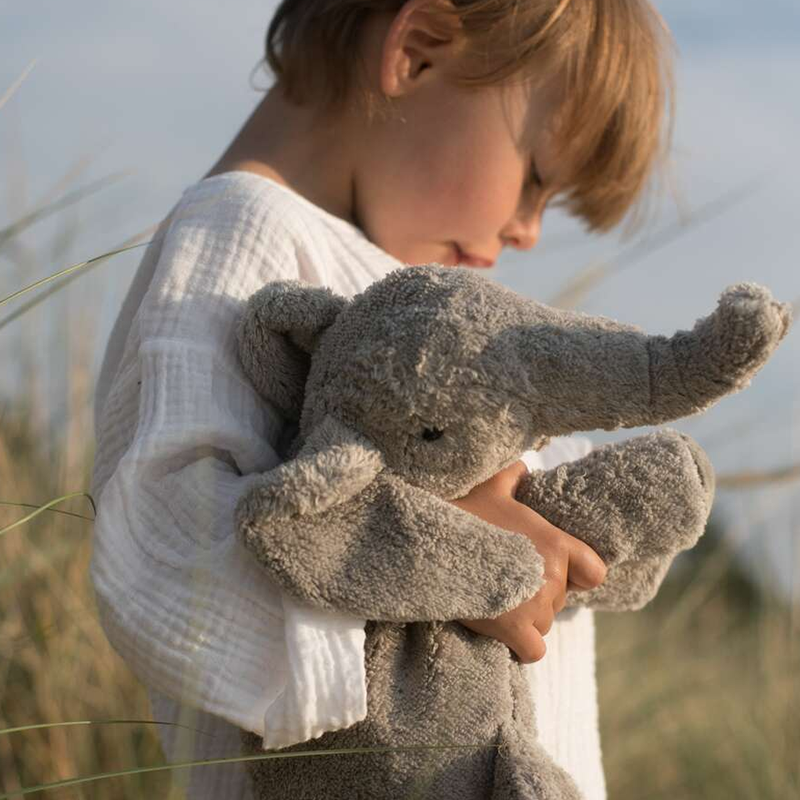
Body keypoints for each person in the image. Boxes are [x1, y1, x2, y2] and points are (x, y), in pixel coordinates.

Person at [89, 0, 673, 797]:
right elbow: (161, 553)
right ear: (419, 49)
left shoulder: (404, 304)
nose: (529, 230)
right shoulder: (246, 228)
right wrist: (452, 552)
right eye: (535, 176)